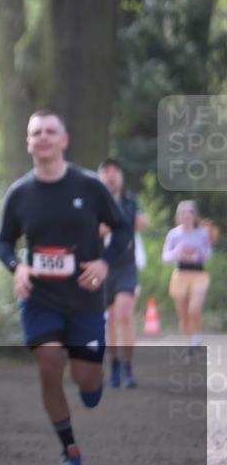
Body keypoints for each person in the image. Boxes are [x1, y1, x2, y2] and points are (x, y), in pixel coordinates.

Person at [0, 111, 131, 465]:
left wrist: (103, 263)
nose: (42, 137)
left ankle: (93, 380)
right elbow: (4, 242)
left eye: (50, 131)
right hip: (40, 299)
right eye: (35, 132)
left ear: (63, 140)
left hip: (84, 300)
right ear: (28, 142)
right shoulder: (19, 194)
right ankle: (69, 448)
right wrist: (17, 267)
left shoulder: (89, 186)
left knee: (87, 381)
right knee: (48, 364)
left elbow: (121, 229)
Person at [97, 159, 149, 388]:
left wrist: (138, 221)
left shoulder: (130, 202)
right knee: (109, 321)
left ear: (121, 177)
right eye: (106, 172)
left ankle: (128, 367)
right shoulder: (93, 203)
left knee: (125, 315)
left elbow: (143, 222)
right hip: (102, 267)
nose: (111, 176)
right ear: (99, 178)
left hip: (126, 266)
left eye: (115, 172)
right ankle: (115, 364)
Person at [162, 201, 214, 353]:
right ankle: (189, 342)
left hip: (198, 274)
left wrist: (198, 254)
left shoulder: (203, 232)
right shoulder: (174, 234)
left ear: (195, 215)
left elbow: (208, 252)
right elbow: (166, 256)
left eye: (190, 212)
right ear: (178, 216)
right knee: (184, 314)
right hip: (180, 275)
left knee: (194, 309)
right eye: (183, 213)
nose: (187, 215)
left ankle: (197, 337)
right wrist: (178, 252)